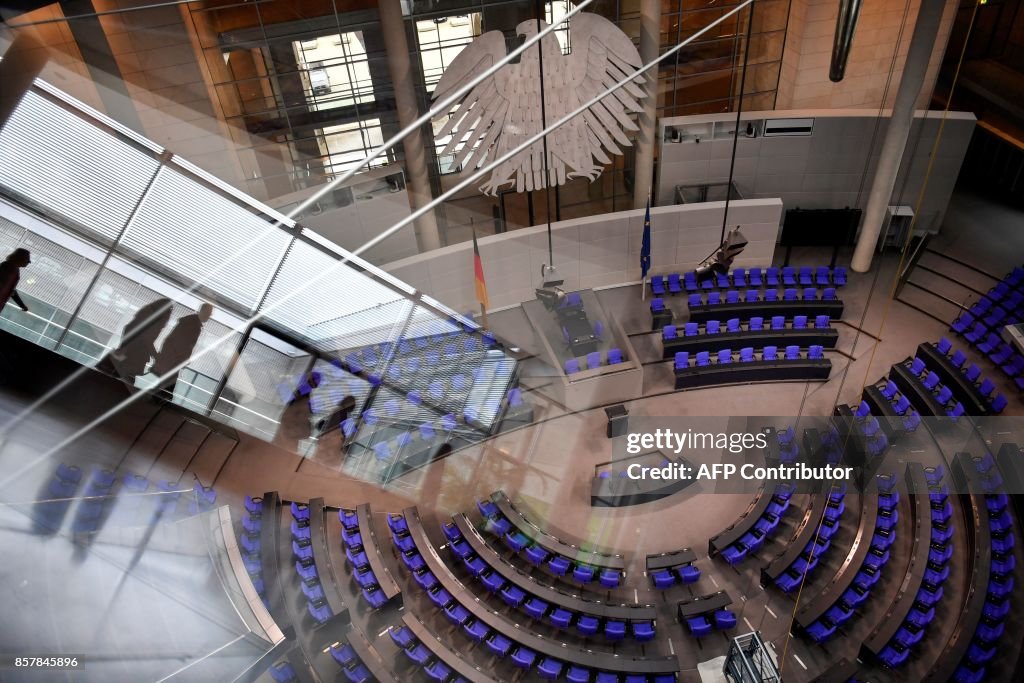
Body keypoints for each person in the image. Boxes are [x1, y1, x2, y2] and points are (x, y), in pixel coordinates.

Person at [99, 297, 173, 382]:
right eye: (169, 311)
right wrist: (156, 357)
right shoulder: (154, 321)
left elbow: (129, 329)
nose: (169, 315)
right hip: (131, 358)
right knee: (123, 385)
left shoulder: (145, 315)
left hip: (128, 355)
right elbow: (146, 340)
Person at [150, 303, 213, 391]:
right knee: (165, 390)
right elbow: (180, 344)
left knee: (164, 389)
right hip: (173, 362)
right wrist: (182, 359)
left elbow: (174, 342)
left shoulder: (191, 323)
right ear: (203, 311)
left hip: (173, 362)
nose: (209, 316)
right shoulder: (192, 325)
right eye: (209, 313)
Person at [0, 248, 31, 313]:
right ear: (20, 258)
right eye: (27, 259)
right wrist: (22, 305)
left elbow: (11, 291)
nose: (29, 261)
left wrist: (22, 305)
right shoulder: (7, 267)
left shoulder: (14, 270)